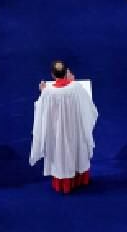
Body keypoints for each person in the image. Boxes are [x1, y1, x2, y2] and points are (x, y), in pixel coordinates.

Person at [30, 60, 98, 193]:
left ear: (52, 75)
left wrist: (42, 92)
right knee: (77, 149)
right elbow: (89, 108)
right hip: (75, 129)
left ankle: (63, 182)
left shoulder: (48, 92)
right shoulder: (76, 88)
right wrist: (73, 82)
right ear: (66, 72)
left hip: (58, 132)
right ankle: (80, 178)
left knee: (60, 152)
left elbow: (41, 112)